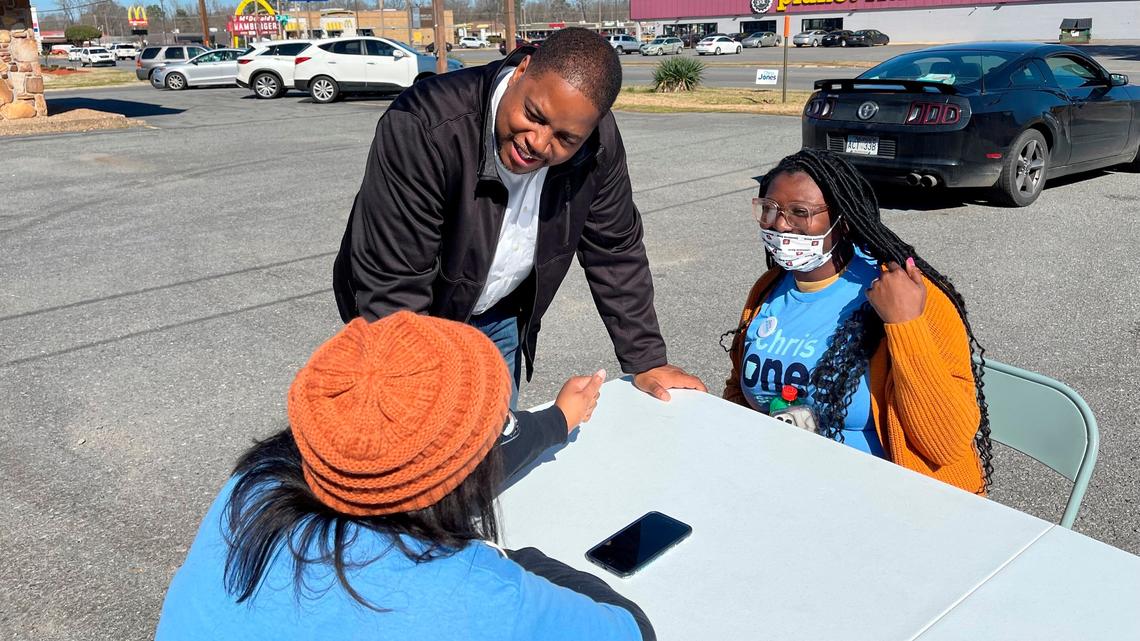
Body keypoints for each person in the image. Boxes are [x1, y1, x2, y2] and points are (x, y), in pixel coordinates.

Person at [156, 312, 655, 641]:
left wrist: (557, 420)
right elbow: (631, 629)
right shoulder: (477, 597)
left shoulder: (251, 489)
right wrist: (514, 561)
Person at [332, 27, 704, 408]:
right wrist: (416, 386)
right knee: (424, 445)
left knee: (496, 452)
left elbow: (614, 247)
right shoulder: (425, 126)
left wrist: (647, 359)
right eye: (534, 115)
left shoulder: (596, 143)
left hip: (500, 317)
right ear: (523, 69)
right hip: (412, 319)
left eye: (565, 139)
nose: (539, 143)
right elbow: (394, 284)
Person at [722, 149, 992, 494]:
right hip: (783, 485)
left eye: (799, 213)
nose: (779, 224)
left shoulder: (905, 295)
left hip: (893, 500)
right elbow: (739, 391)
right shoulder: (769, 288)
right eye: (769, 209)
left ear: (843, 219)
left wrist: (904, 324)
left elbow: (945, 443)